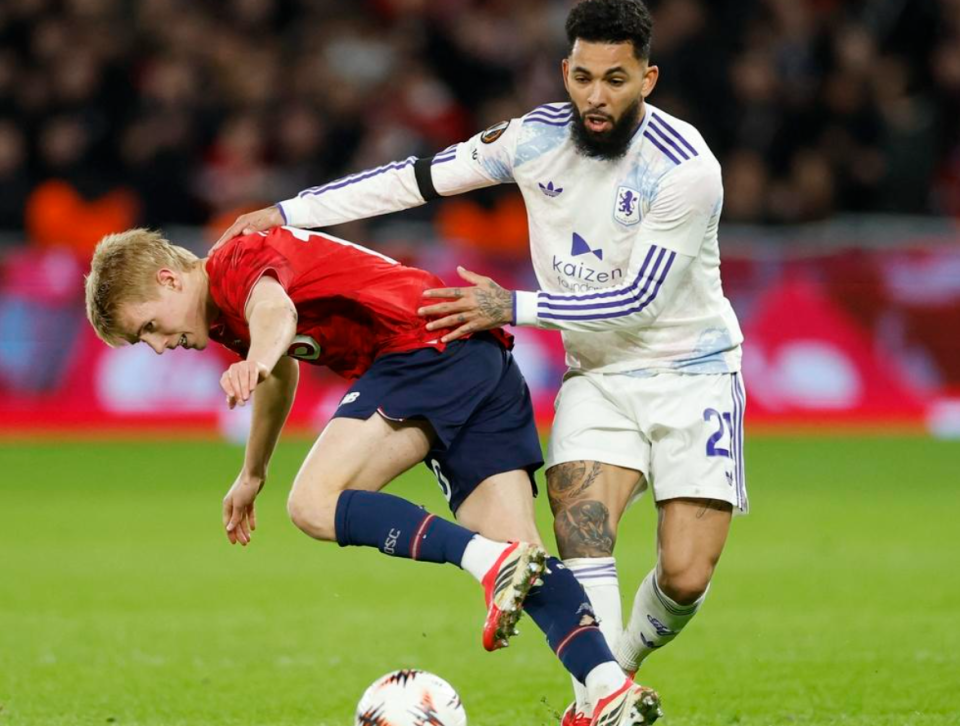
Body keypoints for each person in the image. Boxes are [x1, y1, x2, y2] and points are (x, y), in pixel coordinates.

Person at [215, 0, 747, 723]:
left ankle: (616, 670)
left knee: (684, 574)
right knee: (581, 530)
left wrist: (511, 306)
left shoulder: (685, 168)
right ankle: (600, 698)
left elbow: (639, 300)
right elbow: (416, 177)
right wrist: (289, 212)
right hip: (597, 376)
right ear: (565, 71)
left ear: (647, 80)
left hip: (693, 372)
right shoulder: (532, 140)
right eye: (583, 78)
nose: (595, 96)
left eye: (615, 80)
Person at [84, 225, 662, 726]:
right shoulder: (225, 315)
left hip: (418, 346)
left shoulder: (233, 261)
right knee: (525, 556)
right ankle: (608, 690)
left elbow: (277, 315)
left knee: (313, 504)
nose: (157, 347)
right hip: (473, 353)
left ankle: (489, 562)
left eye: (149, 327)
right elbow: (282, 373)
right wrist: (253, 471)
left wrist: (254, 360)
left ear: (168, 279)